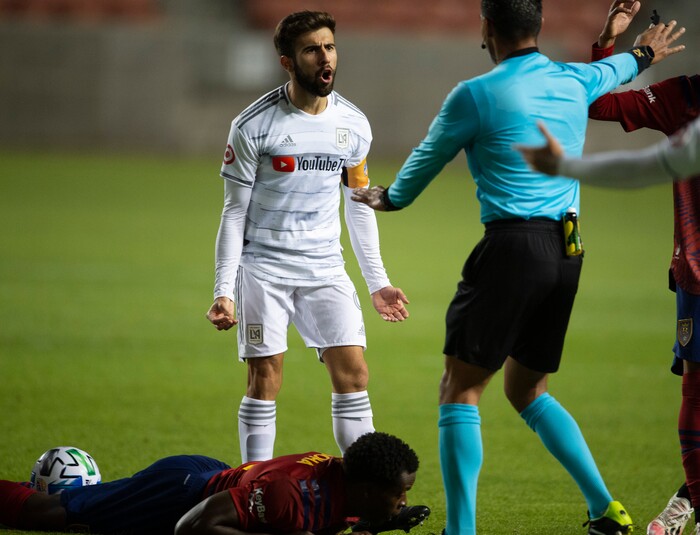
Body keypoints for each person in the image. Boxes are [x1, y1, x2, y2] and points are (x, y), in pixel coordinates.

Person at [351, 1, 684, 533]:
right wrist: (637, 47)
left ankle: (460, 530)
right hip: (568, 251)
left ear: (487, 28)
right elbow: (621, 67)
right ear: (540, 27)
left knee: (459, 391)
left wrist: (390, 199)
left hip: (512, 248)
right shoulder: (576, 79)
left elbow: (428, 155)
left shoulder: (476, 94)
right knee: (527, 390)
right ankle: (605, 510)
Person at [517, 6, 698, 532]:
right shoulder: (687, 99)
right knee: (697, 396)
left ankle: (690, 495)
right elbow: (595, 102)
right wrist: (609, 47)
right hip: (697, 273)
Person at [205, 11, 410, 464]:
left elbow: (359, 205)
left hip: (324, 268)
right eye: (312, 50)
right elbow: (233, 211)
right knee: (266, 378)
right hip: (263, 270)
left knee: (354, 374)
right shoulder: (253, 126)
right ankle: (251, 487)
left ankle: (366, 496)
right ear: (287, 61)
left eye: (330, 47)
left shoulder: (354, 126)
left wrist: (377, 282)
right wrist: (224, 290)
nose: (325, 59)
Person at [0, 431, 429, 535]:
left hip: (217, 476)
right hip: (181, 493)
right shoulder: (290, 496)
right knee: (56, 514)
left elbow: (341, 513)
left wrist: (383, 520)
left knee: (93, 501)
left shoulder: (348, 482)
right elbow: (192, 527)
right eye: (399, 493)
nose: (404, 499)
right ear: (370, 490)